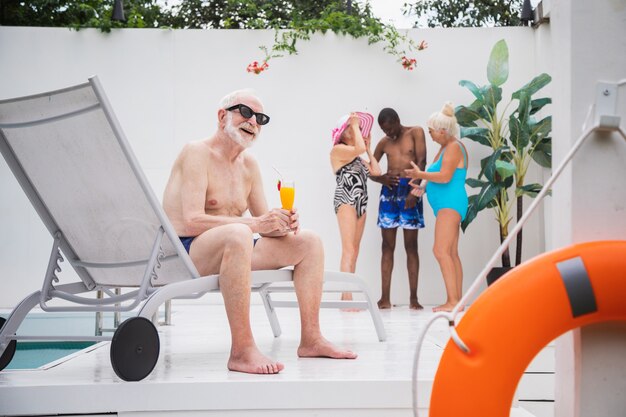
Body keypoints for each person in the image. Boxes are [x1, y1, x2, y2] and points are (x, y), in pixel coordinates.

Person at [162, 89, 357, 375]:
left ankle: (312, 339)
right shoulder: (196, 152)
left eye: (261, 118)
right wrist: (255, 226)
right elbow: (190, 221)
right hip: (186, 251)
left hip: (234, 248)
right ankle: (242, 351)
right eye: (246, 112)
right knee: (239, 234)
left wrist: (281, 223)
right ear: (222, 116)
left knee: (309, 242)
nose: (253, 121)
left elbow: (263, 222)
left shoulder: (249, 166)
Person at [404, 102, 468, 312]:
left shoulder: (454, 147)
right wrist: (421, 186)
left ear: (442, 130)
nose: (430, 134)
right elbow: (434, 175)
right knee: (451, 252)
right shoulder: (444, 148)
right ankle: (457, 301)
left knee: (440, 250)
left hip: (450, 204)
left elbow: (445, 176)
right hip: (447, 204)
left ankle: (452, 301)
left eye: (431, 131)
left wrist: (420, 175)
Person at [370, 108, 427, 310]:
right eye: (384, 130)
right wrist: (381, 178)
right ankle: (384, 298)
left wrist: (415, 190)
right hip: (389, 192)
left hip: (410, 189)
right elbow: (370, 167)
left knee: (411, 246)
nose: (388, 133)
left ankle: (414, 298)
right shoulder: (384, 143)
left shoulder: (416, 132)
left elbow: (422, 162)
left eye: (390, 128)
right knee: (387, 245)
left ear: (397, 121)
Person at [330, 113, 382, 308]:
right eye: (352, 129)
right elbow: (357, 147)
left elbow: (376, 171)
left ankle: (346, 297)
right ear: (343, 134)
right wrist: (353, 124)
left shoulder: (357, 157)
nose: (358, 131)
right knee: (348, 250)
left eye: (358, 129)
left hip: (361, 201)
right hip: (346, 199)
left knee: (355, 251)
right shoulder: (338, 150)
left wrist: (368, 150)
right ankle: (348, 299)